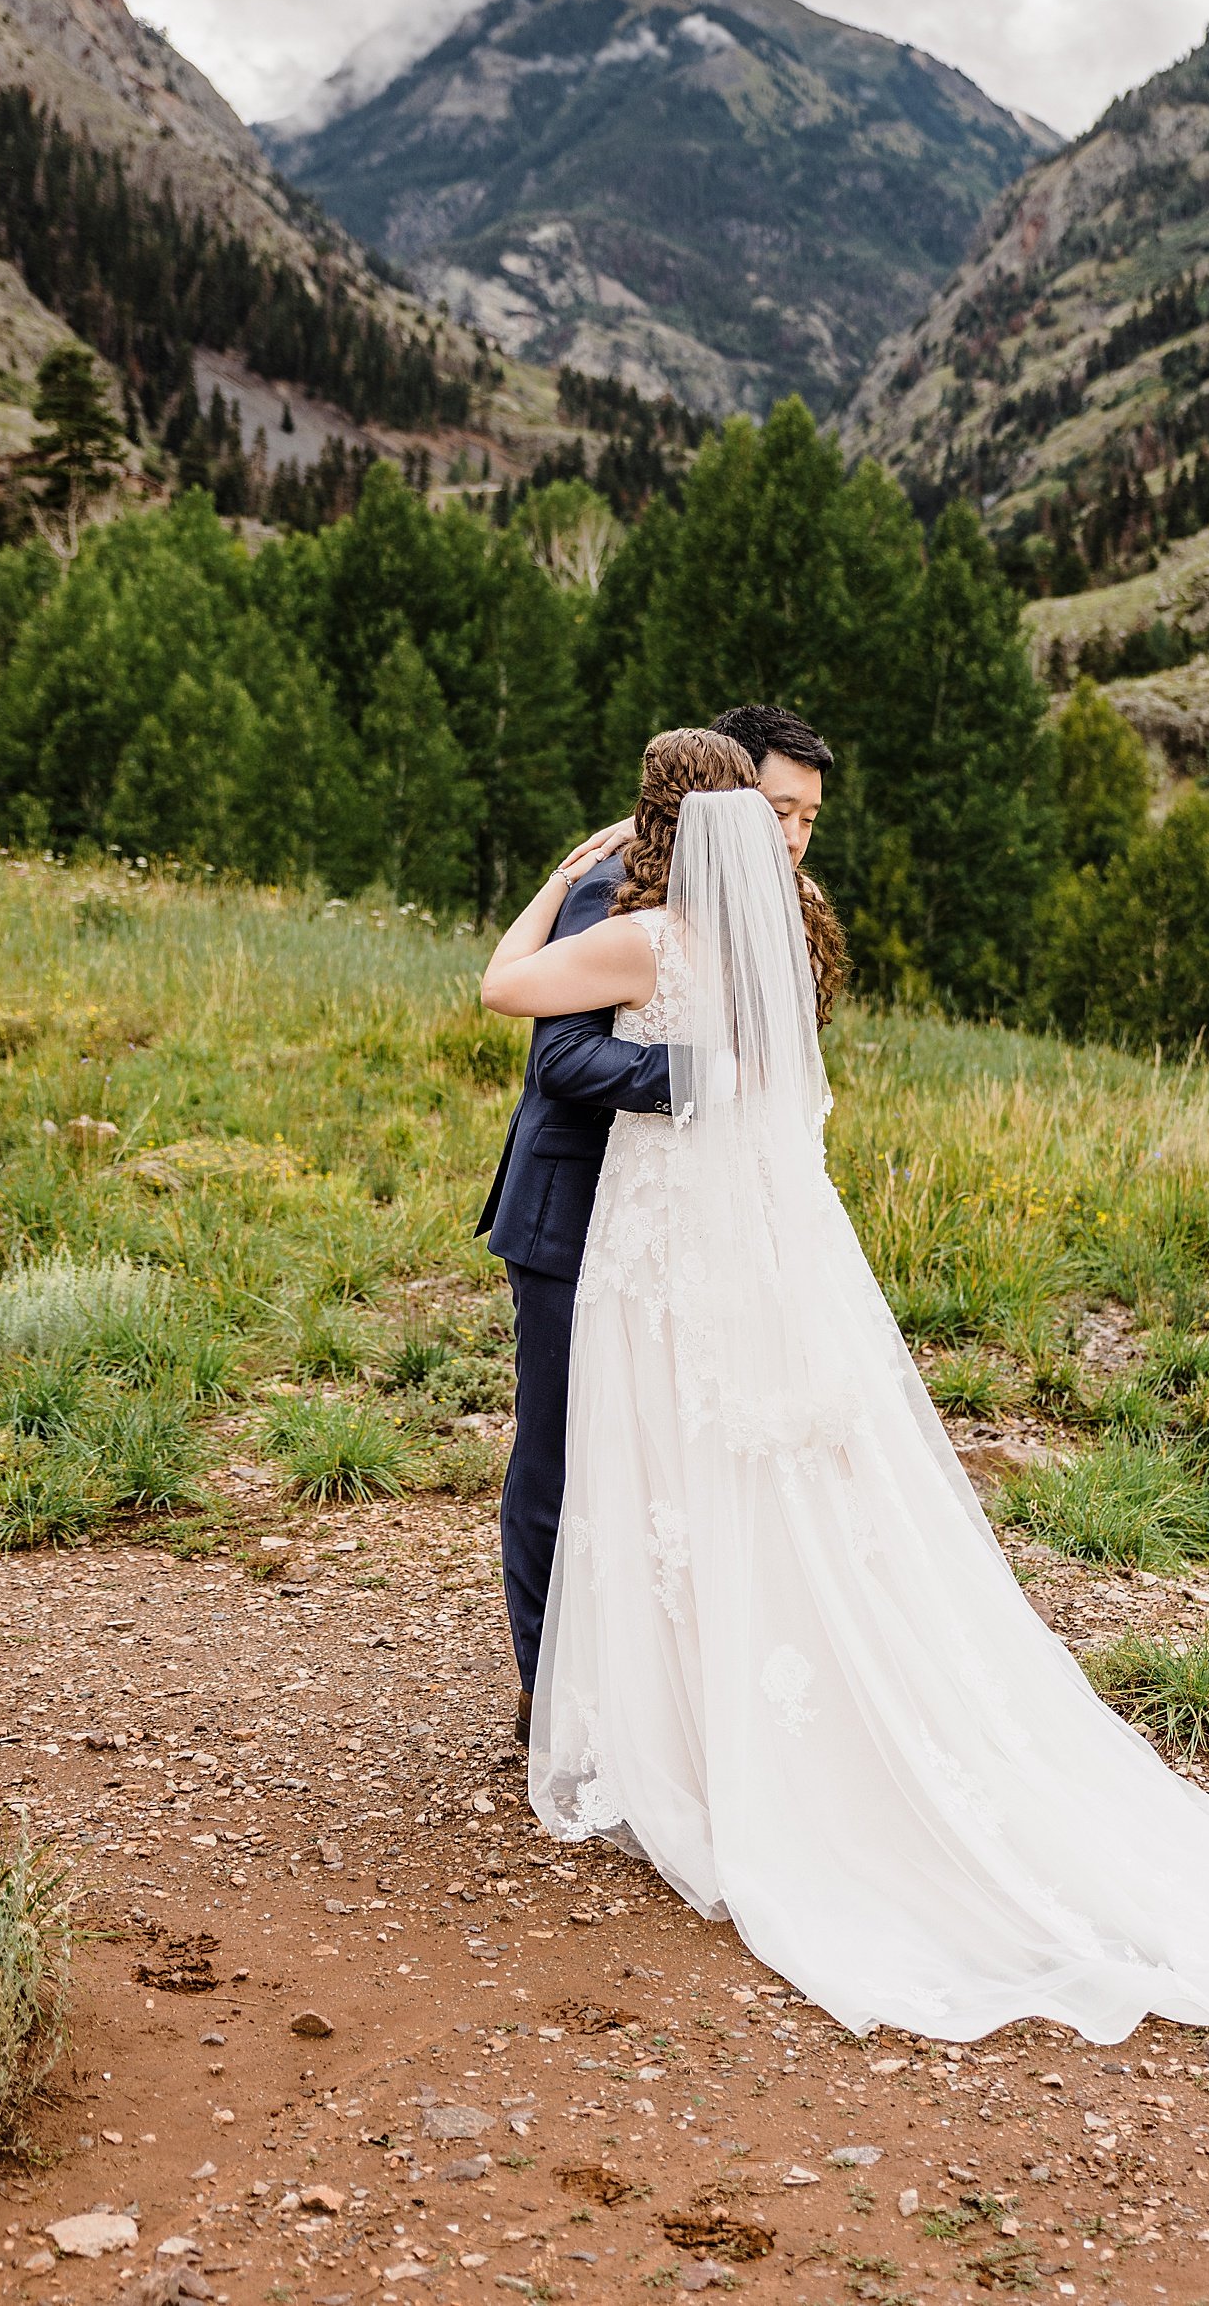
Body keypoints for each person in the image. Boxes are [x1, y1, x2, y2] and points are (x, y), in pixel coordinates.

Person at [480, 730, 1209, 2043]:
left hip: (662, 1240)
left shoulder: (647, 930)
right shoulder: (769, 940)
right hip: (726, 1246)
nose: (795, 836)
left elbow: (505, 988)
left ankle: (653, 1724)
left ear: (649, 819)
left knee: (632, 1470)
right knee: (710, 1473)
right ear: (735, 820)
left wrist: (562, 873)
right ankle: (694, 1708)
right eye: (776, 814)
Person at [476, 705, 841, 1743]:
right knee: (555, 1453)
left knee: (668, 1449)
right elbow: (559, 1059)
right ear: (720, 800)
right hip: (575, 1207)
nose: (791, 837)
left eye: (806, 818)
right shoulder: (619, 885)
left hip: (687, 1224)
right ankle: (550, 1692)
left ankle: (655, 1689)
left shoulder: (768, 907)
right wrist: (709, 1079)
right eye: (779, 810)